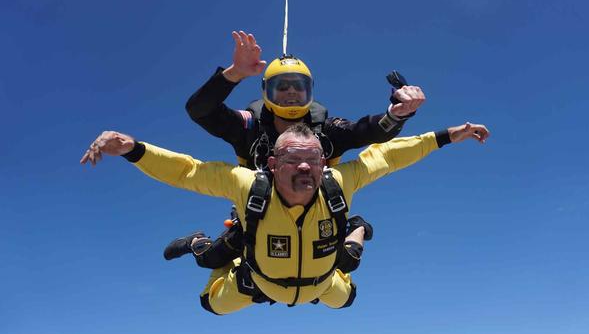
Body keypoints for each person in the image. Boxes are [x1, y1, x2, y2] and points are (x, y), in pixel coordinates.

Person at [80, 121, 490, 315]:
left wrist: (445, 136)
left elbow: (388, 156)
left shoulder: (337, 183)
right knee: (209, 304)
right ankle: (202, 244)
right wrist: (134, 148)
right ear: (273, 163)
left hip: (320, 282)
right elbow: (187, 170)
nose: (308, 169)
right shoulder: (246, 185)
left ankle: (358, 231)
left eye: (314, 160)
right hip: (256, 282)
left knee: (348, 296)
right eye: (295, 159)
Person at [169, 30, 426, 271]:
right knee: (211, 259)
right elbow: (199, 110)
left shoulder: (326, 131)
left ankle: (357, 227)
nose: (291, 92)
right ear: (266, 92)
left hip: (316, 214)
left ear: (310, 93)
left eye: (298, 87)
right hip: (261, 214)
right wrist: (233, 74)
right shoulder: (248, 127)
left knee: (346, 264)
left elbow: (366, 131)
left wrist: (397, 114)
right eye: (281, 86)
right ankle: (196, 241)